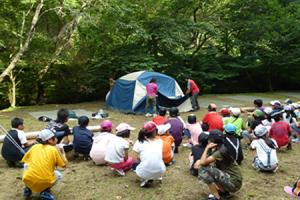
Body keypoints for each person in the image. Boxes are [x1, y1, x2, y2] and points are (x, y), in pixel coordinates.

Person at [194, 130, 243, 200]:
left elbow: (202, 163)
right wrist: (200, 161)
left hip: (233, 183)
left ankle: (217, 197)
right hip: (235, 180)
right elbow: (202, 162)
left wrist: (206, 148)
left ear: (211, 141)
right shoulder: (222, 148)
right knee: (210, 169)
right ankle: (224, 193)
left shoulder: (219, 152)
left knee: (204, 169)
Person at [21, 129, 67, 200]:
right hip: (45, 179)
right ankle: (44, 191)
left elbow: (25, 161)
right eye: (55, 137)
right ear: (50, 140)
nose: (57, 139)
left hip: (28, 178)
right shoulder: (54, 149)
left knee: (26, 166)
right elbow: (64, 165)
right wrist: (63, 153)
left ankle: (28, 188)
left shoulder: (34, 147)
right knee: (58, 175)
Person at [133, 121, 166, 187]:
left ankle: (145, 178)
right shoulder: (160, 142)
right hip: (160, 170)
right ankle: (156, 176)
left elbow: (135, 159)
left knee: (136, 163)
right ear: (155, 131)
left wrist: (140, 159)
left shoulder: (139, 142)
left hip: (144, 171)